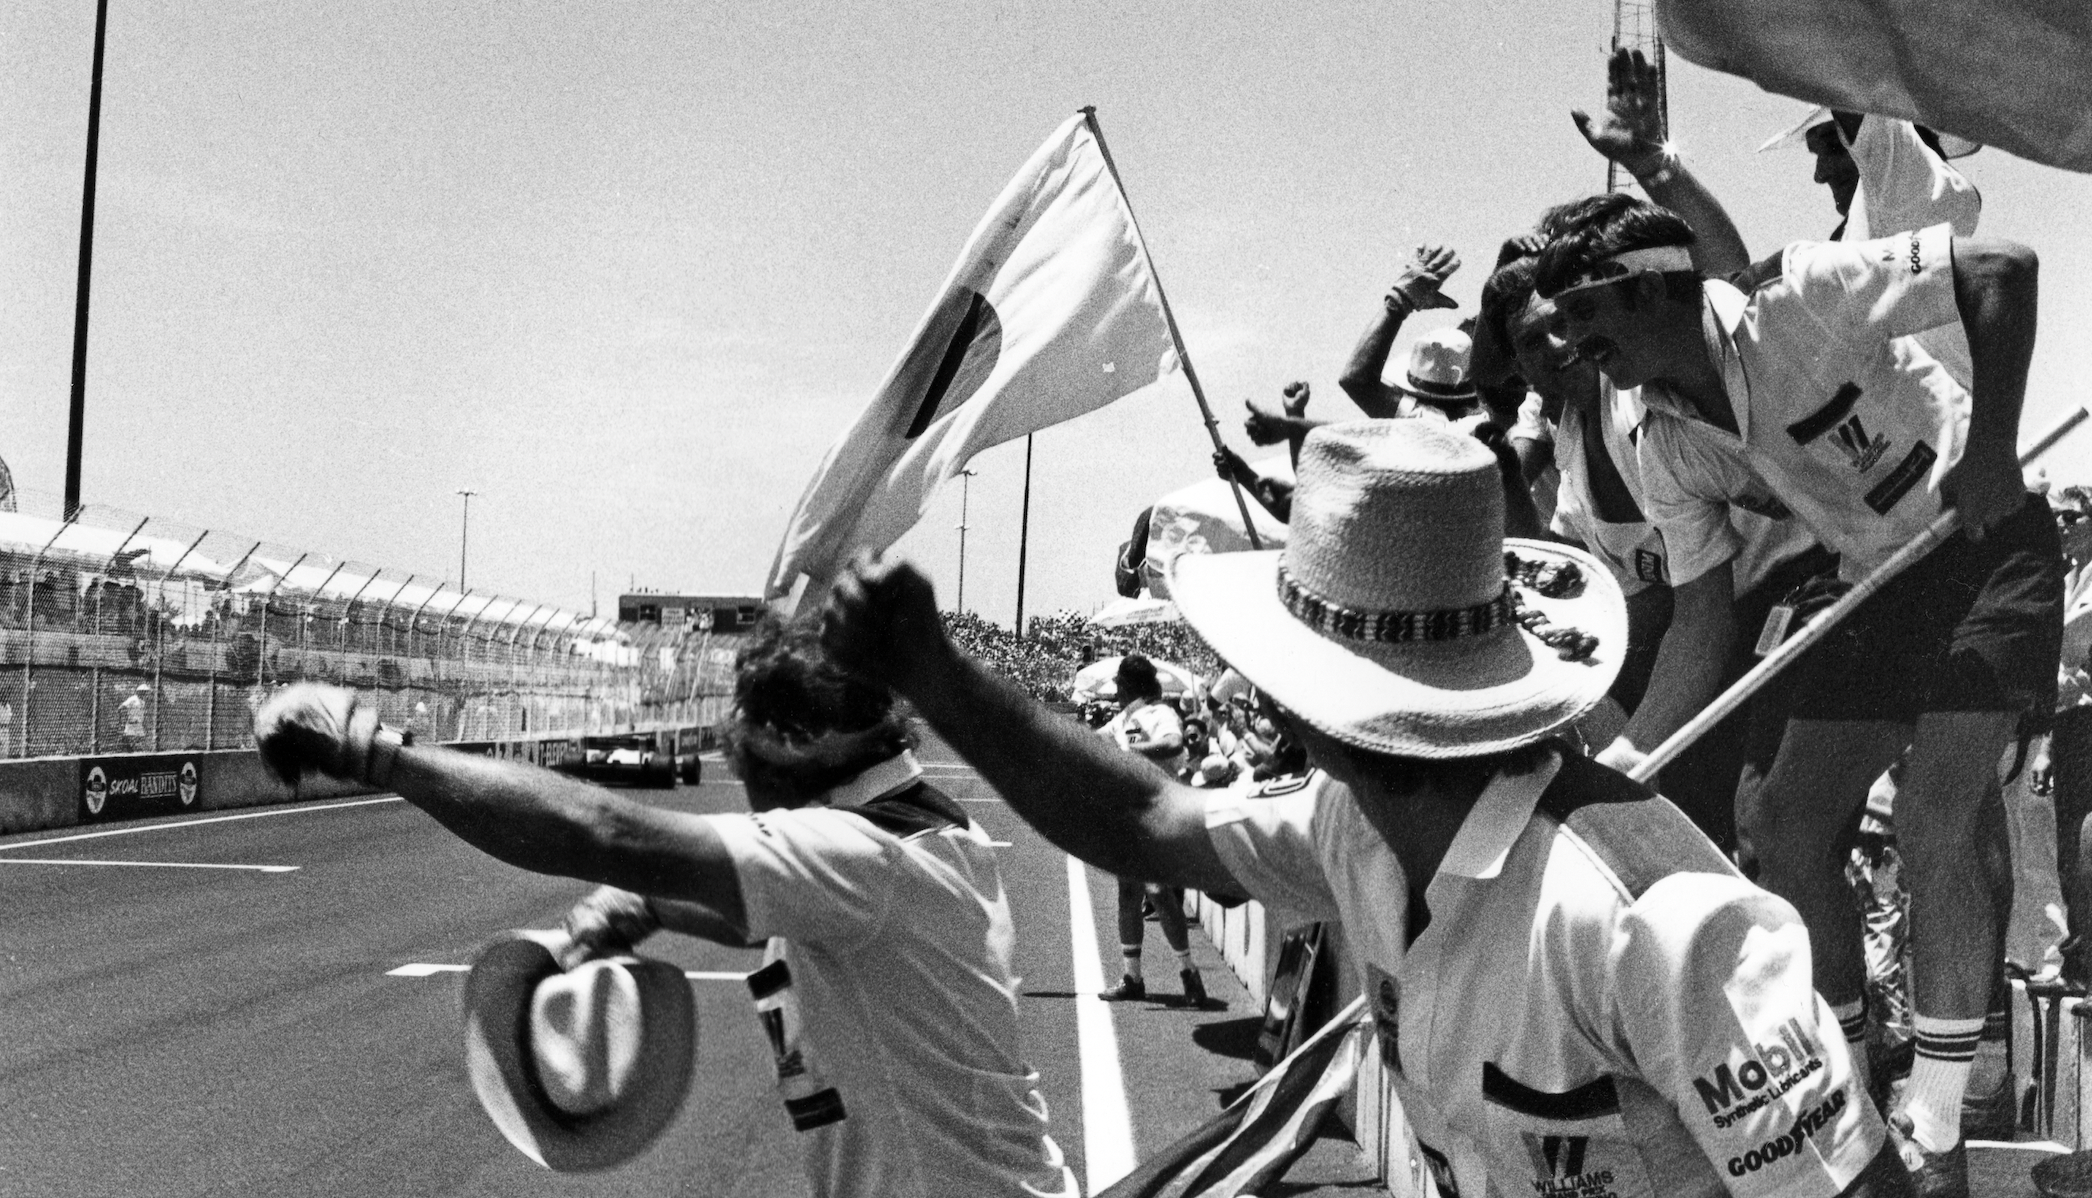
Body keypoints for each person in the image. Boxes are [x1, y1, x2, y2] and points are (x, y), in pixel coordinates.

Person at [823, 419, 1908, 1198]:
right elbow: (1151, 824)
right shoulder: (1355, 830)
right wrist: (941, 679)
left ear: (1312, 706)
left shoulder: (1653, 918)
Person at [1535, 193, 2060, 1195]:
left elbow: (2005, 269)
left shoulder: (1797, 291)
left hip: (1983, 542)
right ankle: (1854, 1086)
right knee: (1784, 821)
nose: (1568, 342)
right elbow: (1699, 624)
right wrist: (1614, 772)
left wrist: (1992, 443)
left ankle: (1936, 1121)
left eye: (1582, 312)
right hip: (1873, 578)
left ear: (1651, 292)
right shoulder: (1655, 440)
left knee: (1934, 808)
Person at [253, 615, 1075, 1198]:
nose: (743, 781)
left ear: (793, 742)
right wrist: (647, 905)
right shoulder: (922, 829)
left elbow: (597, 827)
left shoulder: (859, 854)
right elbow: (790, 922)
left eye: (740, 751)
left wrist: (375, 752)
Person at [1097, 653, 1207, 1006]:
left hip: (1158, 811)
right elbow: (1092, 742)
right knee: (1128, 895)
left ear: (1130, 684)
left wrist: (1132, 750)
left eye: (1118, 681)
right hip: (1129, 816)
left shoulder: (1160, 714)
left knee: (1158, 893)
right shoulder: (1123, 719)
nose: (1115, 687)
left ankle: (1189, 973)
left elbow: (1175, 745)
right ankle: (1132, 978)